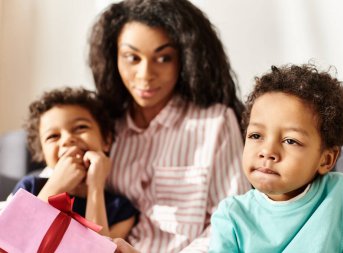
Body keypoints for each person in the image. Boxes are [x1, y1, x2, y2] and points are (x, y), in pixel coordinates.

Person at [88, 0, 251, 252]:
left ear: (185, 58)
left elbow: (232, 224)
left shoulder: (215, 123)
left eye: (163, 58)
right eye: (132, 57)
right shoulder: (103, 126)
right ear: (114, 57)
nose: (145, 74)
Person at [209, 64, 343, 252]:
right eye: (256, 136)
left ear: (326, 160)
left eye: (290, 140)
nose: (267, 151)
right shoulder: (231, 216)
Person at [11, 87, 138, 238]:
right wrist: (56, 186)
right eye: (53, 136)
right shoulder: (29, 188)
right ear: (43, 154)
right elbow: (13, 238)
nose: (67, 139)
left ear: (107, 140)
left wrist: (95, 188)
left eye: (80, 127)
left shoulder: (121, 210)